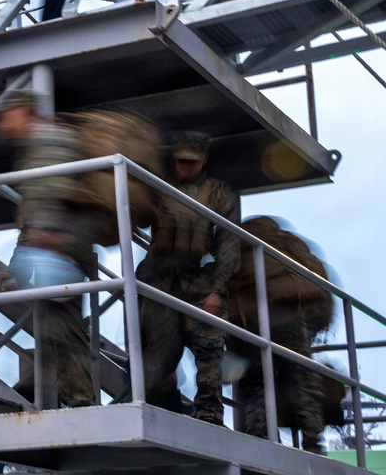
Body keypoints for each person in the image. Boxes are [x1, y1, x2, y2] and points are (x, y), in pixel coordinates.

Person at [0, 89, 100, 408]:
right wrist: (17, 264)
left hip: (61, 246)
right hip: (55, 246)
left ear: (23, 111)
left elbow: (47, 207)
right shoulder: (38, 144)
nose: (2, 125)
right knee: (55, 326)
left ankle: (81, 402)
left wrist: (47, 242)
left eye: (5, 116)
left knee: (63, 327)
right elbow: (32, 215)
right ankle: (71, 395)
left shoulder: (47, 141)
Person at [138, 132, 241, 425]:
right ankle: (157, 408)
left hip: (199, 279)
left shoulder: (220, 194)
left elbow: (229, 246)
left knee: (208, 346)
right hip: (160, 277)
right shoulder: (160, 187)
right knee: (156, 353)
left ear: (204, 160)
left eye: (192, 162)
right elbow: (136, 214)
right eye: (181, 161)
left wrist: (218, 290)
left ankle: (209, 413)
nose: (186, 167)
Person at [228, 216, 335, 454]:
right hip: (288, 316)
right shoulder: (285, 248)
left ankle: (260, 436)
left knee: (255, 380)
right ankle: (312, 442)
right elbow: (318, 290)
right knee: (301, 377)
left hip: (248, 319)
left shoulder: (236, 244)